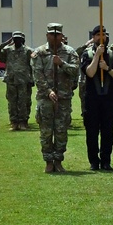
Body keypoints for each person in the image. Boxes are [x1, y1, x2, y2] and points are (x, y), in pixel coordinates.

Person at [31, 22, 79, 173]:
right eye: (52, 34)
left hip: (63, 98)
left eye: (57, 34)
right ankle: (48, 161)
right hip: (46, 99)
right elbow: (38, 75)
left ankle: (58, 160)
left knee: (61, 130)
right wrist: (48, 91)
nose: (55, 37)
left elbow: (75, 71)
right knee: (46, 131)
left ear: (62, 36)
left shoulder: (70, 53)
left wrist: (62, 64)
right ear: (47, 35)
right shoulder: (39, 53)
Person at [79, 25, 113, 171]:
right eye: (98, 35)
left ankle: (106, 161)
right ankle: (93, 161)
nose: (101, 37)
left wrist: (107, 69)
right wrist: (97, 56)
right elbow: (90, 73)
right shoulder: (87, 55)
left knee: (108, 132)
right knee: (91, 132)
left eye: (103, 34)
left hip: (109, 99)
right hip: (92, 99)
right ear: (93, 38)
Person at [0, 31, 33, 130]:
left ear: (23, 40)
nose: (17, 40)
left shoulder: (28, 51)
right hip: (11, 79)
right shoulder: (8, 50)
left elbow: (33, 65)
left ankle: (23, 122)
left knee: (24, 101)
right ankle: (14, 122)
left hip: (24, 80)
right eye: (15, 38)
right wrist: (4, 44)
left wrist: (32, 79)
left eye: (19, 38)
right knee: (12, 102)